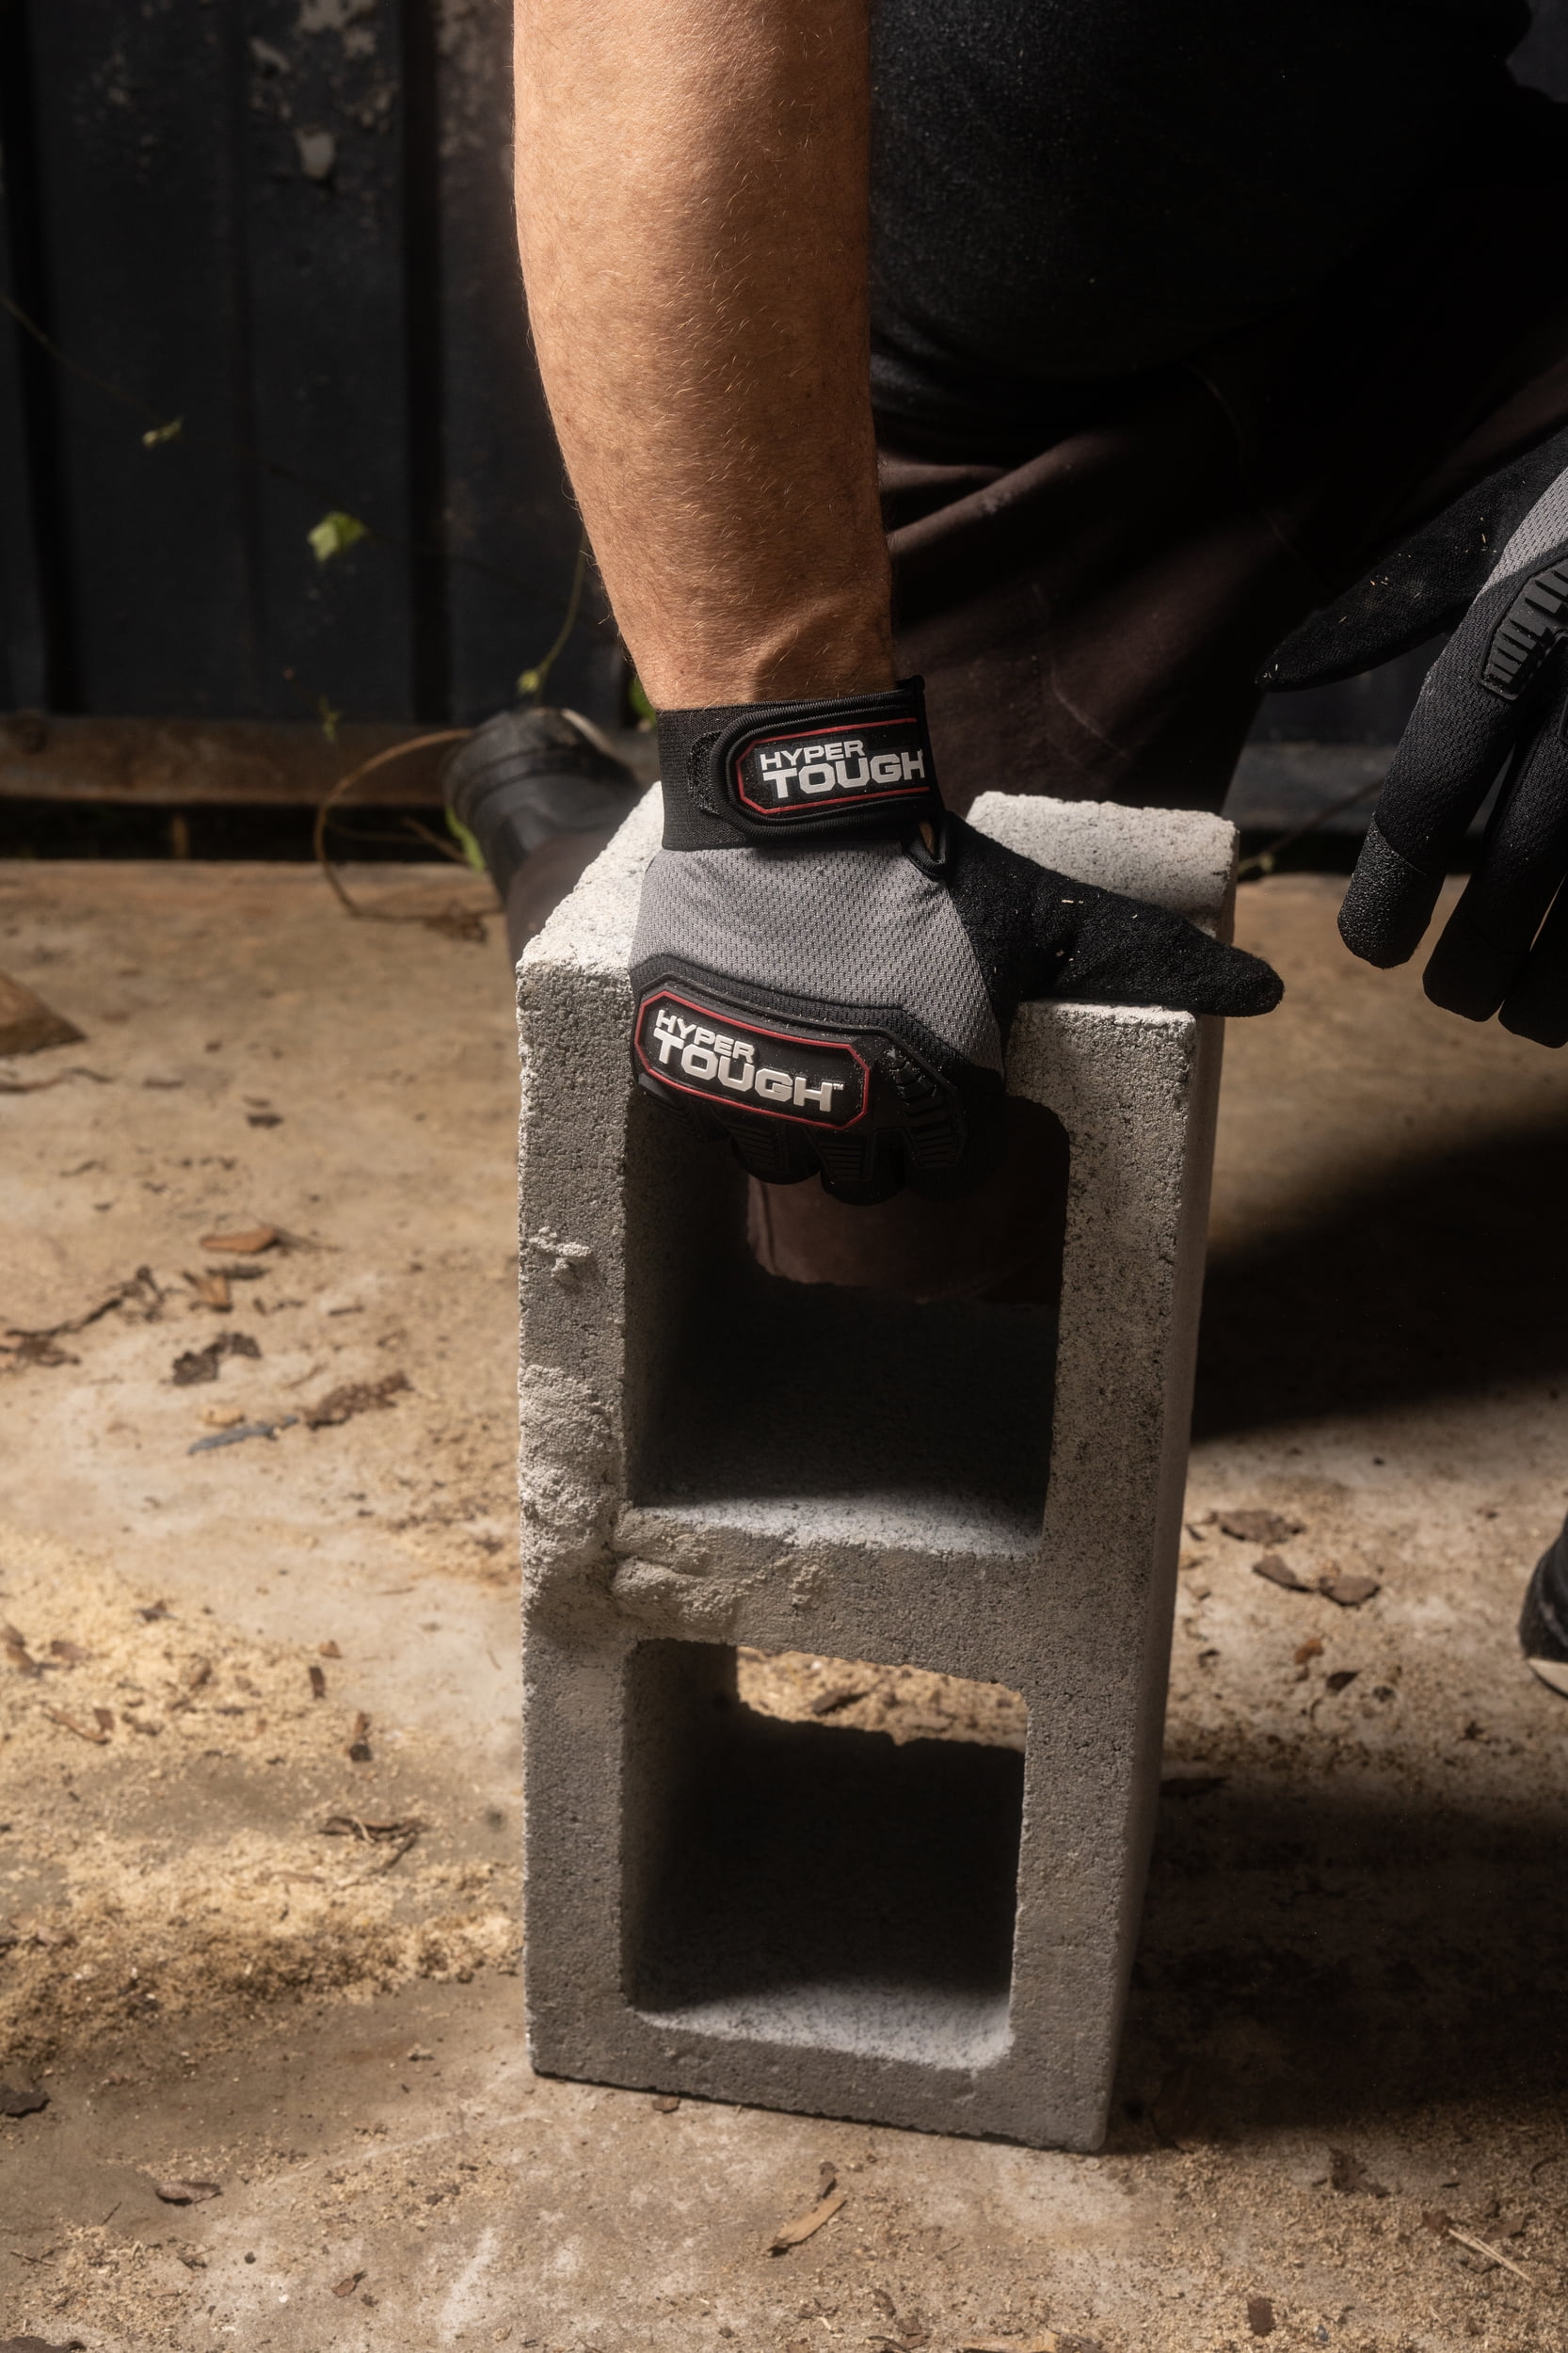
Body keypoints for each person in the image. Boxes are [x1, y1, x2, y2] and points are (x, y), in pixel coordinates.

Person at [488, 0, 1568, 1689]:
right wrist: (778, 792)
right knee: (882, 1336)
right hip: (961, 410)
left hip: (1451, 262)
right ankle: (582, 843)